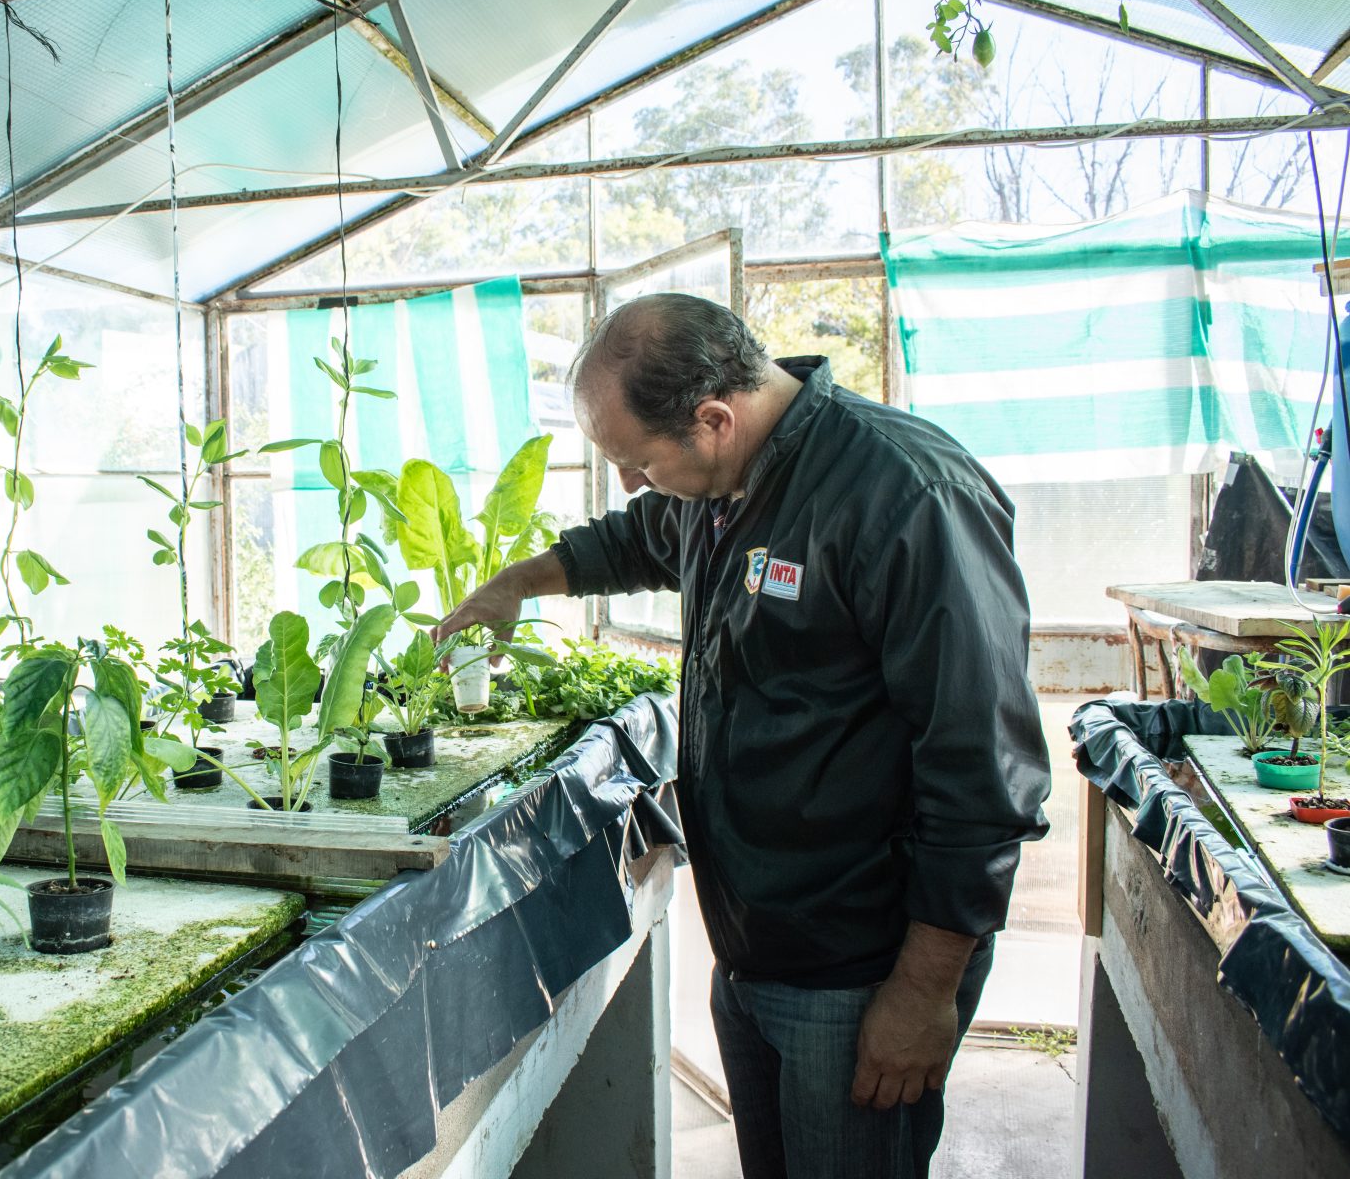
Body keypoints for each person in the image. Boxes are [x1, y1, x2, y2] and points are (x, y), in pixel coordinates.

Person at [434, 292, 1051, 1179]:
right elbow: (629, 541)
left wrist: (923, 989)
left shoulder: (902, 494)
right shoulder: (719, 483)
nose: (631, 483)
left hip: (861, 967)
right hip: (755, 946)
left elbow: (983, 768)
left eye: (637, 461)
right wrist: (514, 583)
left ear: (713, 418)